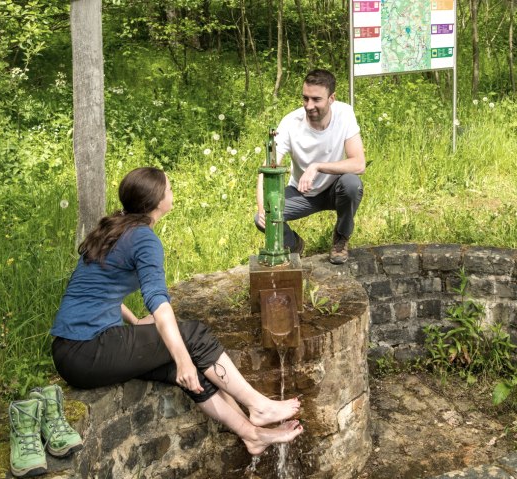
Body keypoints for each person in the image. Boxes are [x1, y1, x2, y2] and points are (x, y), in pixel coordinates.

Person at [51, 167, 303, 456]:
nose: (172, 192)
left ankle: (252, 435)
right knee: (193, 336)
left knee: (185, 364)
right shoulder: (143, 239)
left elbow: (94, 286)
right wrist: (183, 359)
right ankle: (258, 405)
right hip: (87, 349)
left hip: (72, 353)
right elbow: (158, 303)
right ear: (157, 201)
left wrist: (133, 321)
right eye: (169, 189)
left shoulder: (116, 227)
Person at [255, 69, 365, 264]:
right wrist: (264, 208)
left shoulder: (344, 113)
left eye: (316, 99)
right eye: (305, 98)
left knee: (351, 184)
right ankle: (294, 244)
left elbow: (358, 163)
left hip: (334, 190)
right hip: (301, 192)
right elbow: (267, 170)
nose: (309, 106)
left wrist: (317, 166)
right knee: (262, 219)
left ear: (332, 98)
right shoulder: (291, 123)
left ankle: (341, 238)